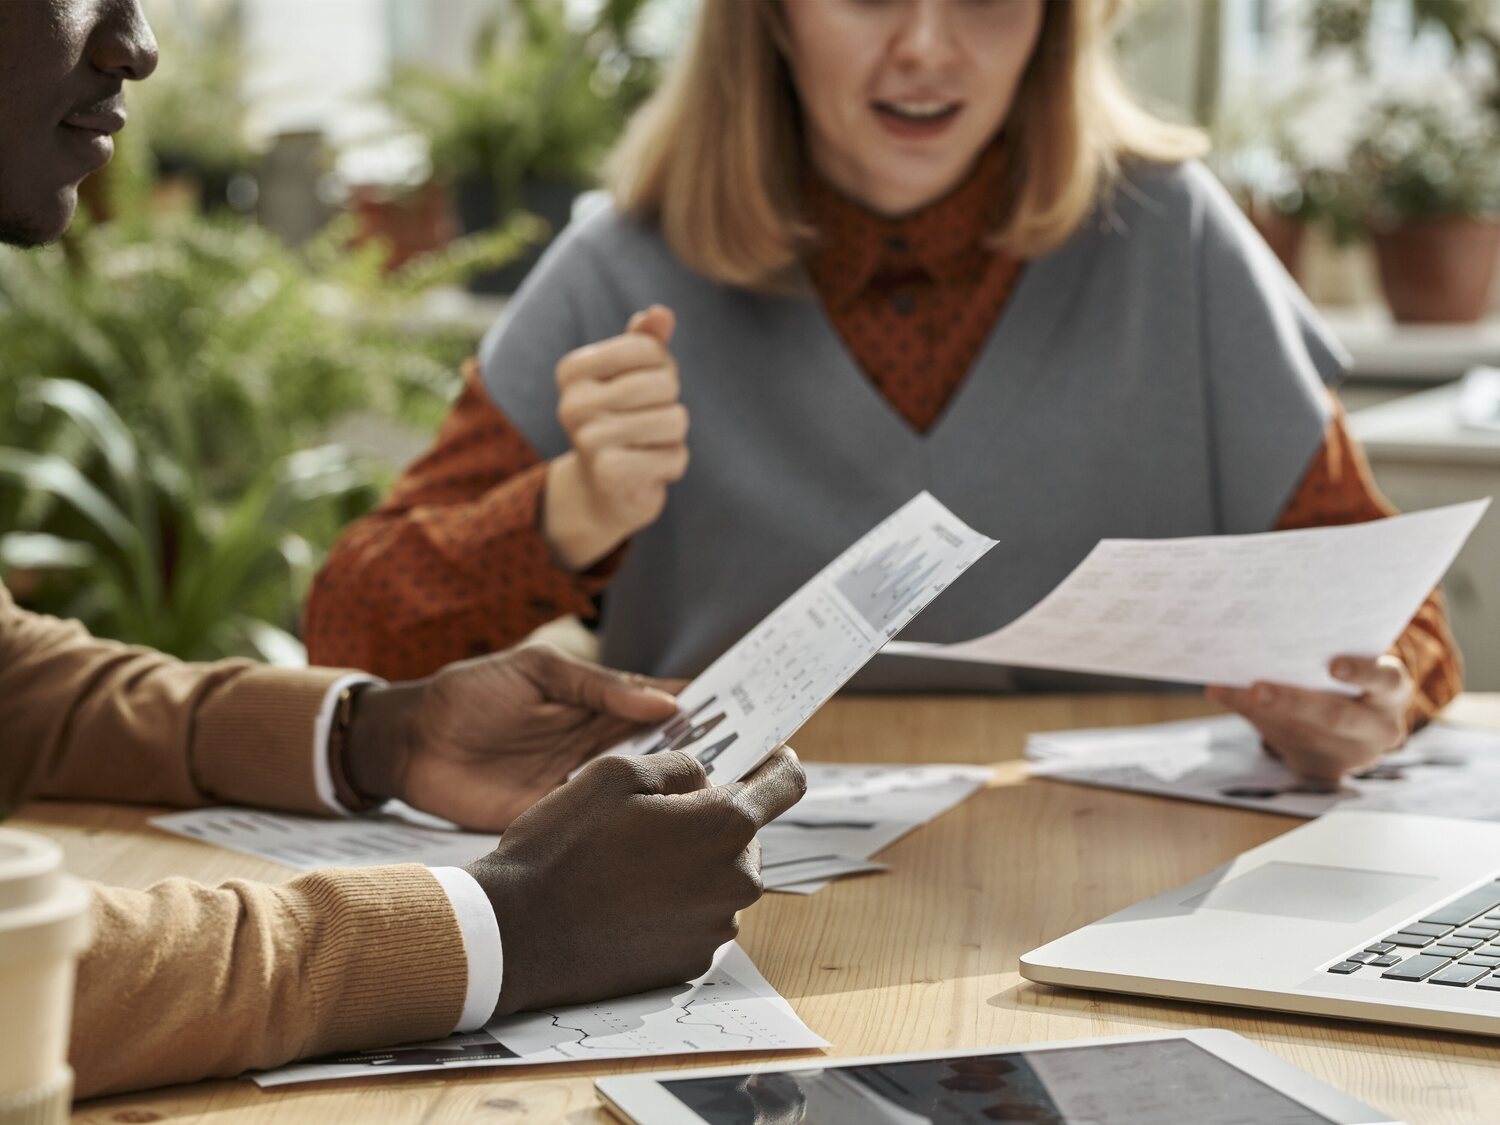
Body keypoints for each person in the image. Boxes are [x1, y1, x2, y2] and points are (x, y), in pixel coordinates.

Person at [306, 0, 1461, 788]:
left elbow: (1397, 620)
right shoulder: (619, 268)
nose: (927, 48)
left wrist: (1369, 703)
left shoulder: (1181, 236)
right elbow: (352, 635)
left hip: (1133, 889)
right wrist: (565, 511)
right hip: (718, 913)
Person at [0, 0, 806, 1100]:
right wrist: (513, 922)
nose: (134, 42)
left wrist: (382, 736)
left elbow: (13, 684)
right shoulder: (629, 260)